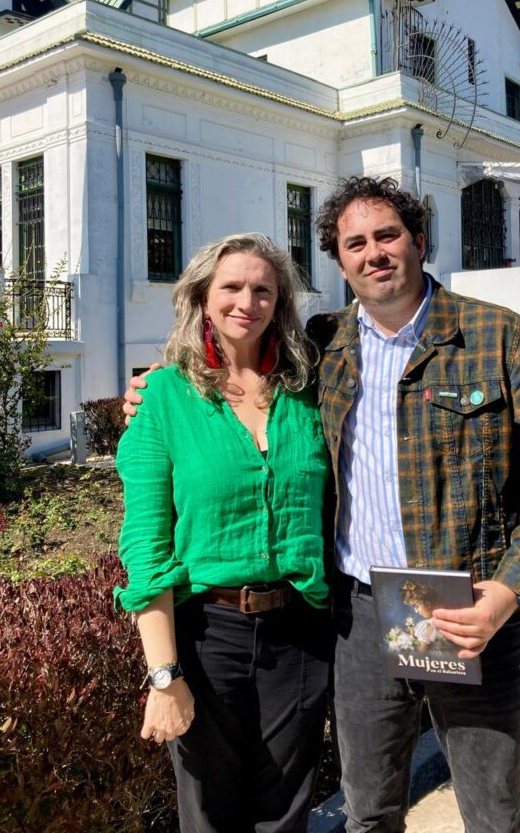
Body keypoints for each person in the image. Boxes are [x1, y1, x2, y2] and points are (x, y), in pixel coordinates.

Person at [124, 177, 520, 833]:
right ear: (339, 262)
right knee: (367, 812)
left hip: (467, 606)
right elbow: (227, 379)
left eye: (387, 235)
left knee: (491, 812)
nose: (374, 253)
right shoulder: (325, 349)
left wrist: (507, 594)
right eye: (355, 243)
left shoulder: (497, 337)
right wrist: (151, 392)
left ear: (419, 240)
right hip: (361, 617)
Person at [114, 232, 332, 833]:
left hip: (300, 634)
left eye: (264, 290)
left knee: (285, 815)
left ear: (280, 302)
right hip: (207, 635)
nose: (247, 301)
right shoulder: (163, 396)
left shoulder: (308, 391)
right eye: (232, 287)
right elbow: (146, 546)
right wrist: (164, 676)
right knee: (209, 816)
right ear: (202, 298)